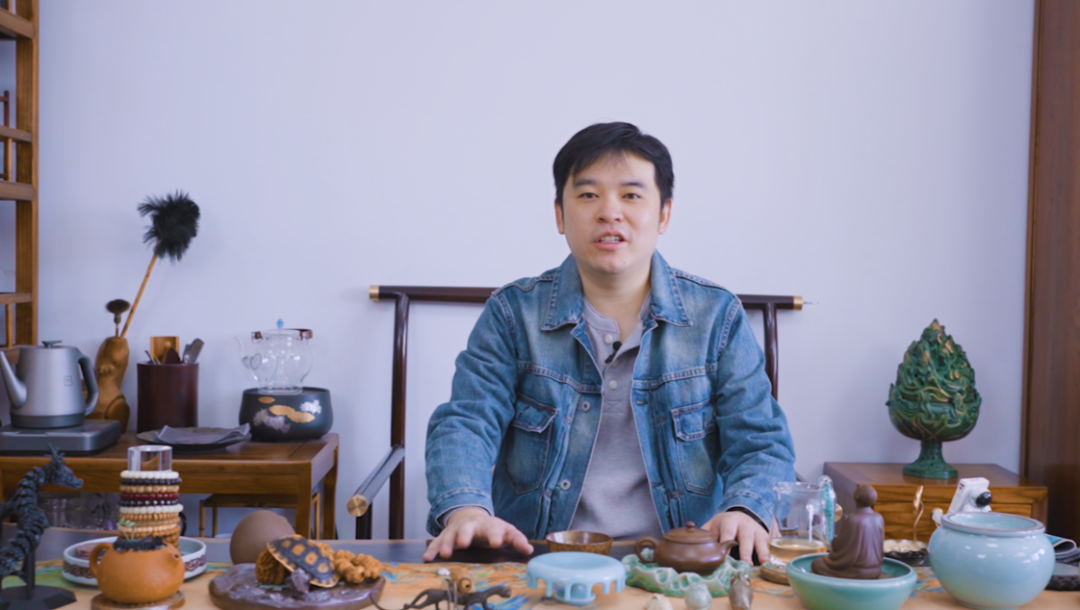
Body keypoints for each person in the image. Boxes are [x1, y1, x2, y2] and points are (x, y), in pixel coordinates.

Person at [423, 122, 796, 563]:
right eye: (588, 195)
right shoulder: (512, 314)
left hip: (682, 567)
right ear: (560, 215)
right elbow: (466, 423)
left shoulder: (717, 317)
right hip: (539, 558)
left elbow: (760, 440)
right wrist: (466, 510)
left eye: (631, 195)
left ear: (664, 215)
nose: (609, 212)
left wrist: (745, 510)